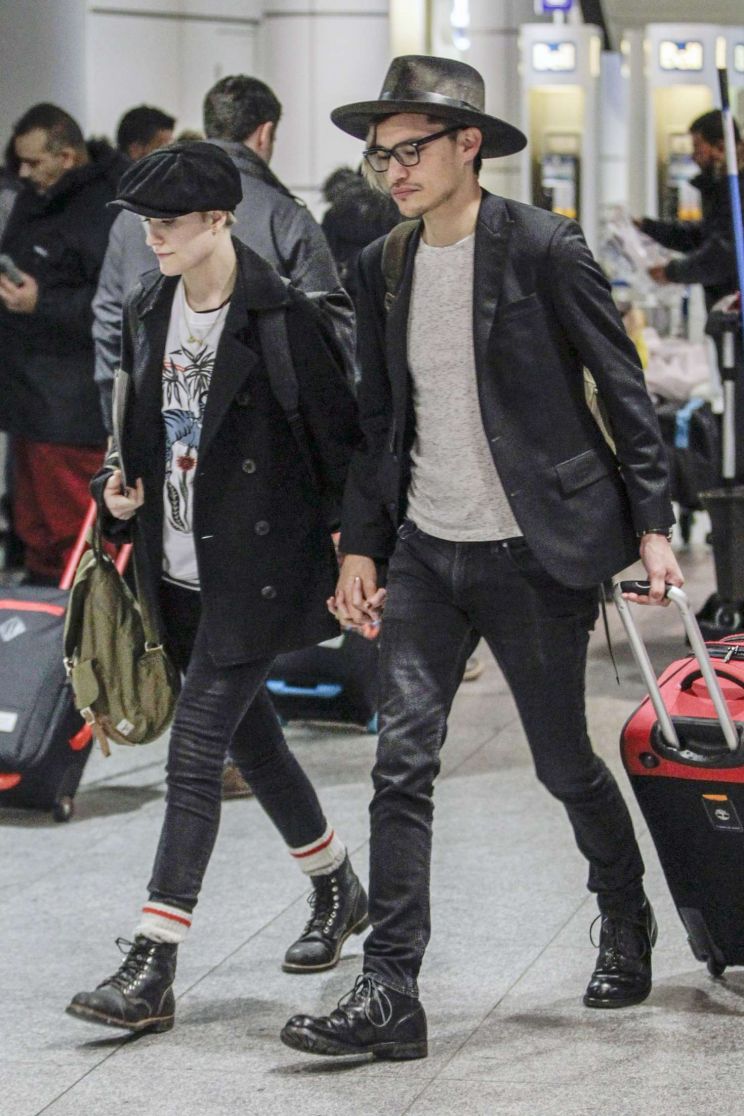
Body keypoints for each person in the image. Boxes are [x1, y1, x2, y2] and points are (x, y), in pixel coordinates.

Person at [281, 55, 683, 1062]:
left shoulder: (544, 248)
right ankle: (391, 990)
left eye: (411, 149)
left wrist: (653, 524)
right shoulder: (383, 264)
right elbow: (379, 421)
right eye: (381, 155)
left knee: (562, 761)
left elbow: (621, 385)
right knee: (401, 765)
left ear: (469, 144)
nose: (394, 170)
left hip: (535, 553)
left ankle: (624, 910)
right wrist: (363, 543)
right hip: (427, 548)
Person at [66, 143, 367, 1035]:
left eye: (168, 223)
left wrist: (359, 557)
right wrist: (115, 493)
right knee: (256, 742)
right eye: (145, 223)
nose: (152, 237)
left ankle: (153, 960)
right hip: (173, 568)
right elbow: (141, 435)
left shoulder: (283, 319)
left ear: (219, 220)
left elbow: (341, 449)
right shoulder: (151, 306)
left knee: (195, 751)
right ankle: (337, 884)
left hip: (255, 574)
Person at [93, 74, 353, 437]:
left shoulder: (132, 216)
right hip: (257, 430)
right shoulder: (285, 217)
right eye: (154, 223)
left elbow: (108, 323)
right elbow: (333, 338)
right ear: (265, 133)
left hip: (161, 425)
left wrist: (118, 423)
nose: (154, 238)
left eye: (166, 222)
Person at [0, 103, 125, 583]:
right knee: (36, 534)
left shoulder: (106, 209)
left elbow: (114, 305)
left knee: (75, 538)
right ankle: (42, 616)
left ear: (67, 157)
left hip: (71, 410)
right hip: (29, 399)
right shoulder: (35, 198)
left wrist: (42, 303)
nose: (23, 173)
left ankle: (86, 619)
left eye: (33, 162)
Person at [638, 110, 744, 313]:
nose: (693, 157)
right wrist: (649, 227)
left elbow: (723, 256)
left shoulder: (736, 190)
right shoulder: (723, 189)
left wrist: (671, 272)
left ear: (721, 147)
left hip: (735, 310)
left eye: (697, 147)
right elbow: (703, 236)